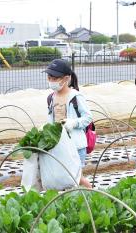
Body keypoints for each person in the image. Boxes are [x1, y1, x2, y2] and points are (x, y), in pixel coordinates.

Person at [44, 59, 92, 188]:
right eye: (49, 77)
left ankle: (93, 198)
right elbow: (51, 120)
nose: (51, 81)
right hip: (59, 145)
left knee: (77, 178)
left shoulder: (76, 96)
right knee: (63, 177)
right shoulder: (51, 97)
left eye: (55, 78)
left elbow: (88, 118)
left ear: (66, 78)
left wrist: (73, 123)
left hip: (75, 145)